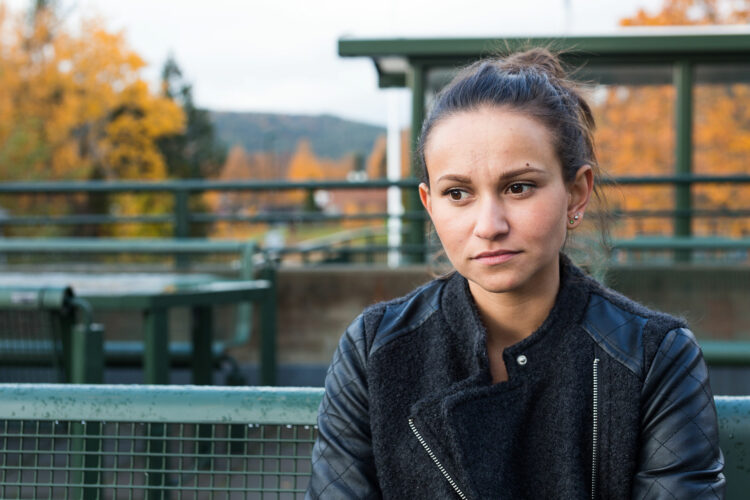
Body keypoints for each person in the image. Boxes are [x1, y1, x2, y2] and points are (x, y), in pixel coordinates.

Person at [307, 48, 725, 499]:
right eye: (458, 193)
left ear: (576, 193)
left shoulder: (654, 358)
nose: (489, 225)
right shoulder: (375, 350)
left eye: (518, 187)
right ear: (430, 206)